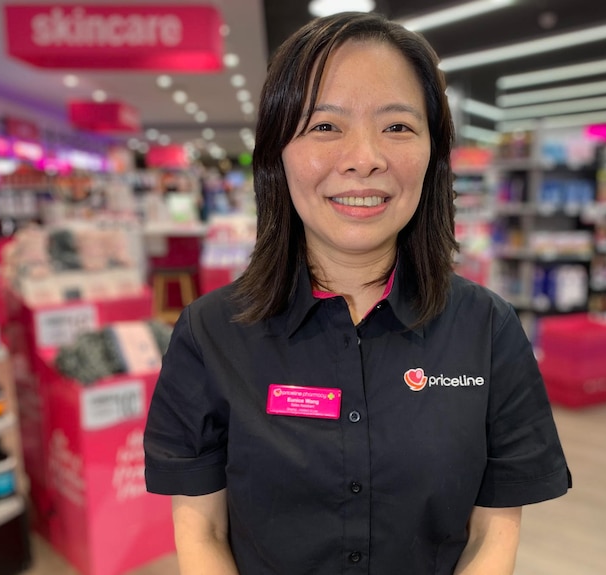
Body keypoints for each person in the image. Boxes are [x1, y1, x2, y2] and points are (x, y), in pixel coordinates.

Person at [144, 11, 570, 575]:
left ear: (433, 155)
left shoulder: (487, 329)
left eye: (397, 126)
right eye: (325, 126)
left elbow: (494, 529)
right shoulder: (209, 333)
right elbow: (202, 527)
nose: (364, 157)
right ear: (277, 153)